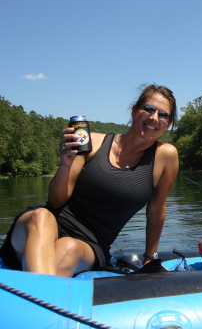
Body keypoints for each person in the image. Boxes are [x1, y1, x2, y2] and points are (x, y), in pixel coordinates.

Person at [0, 84, 179, 277]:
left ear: (168, 124)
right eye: (149, 109)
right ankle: (40, 294)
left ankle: (33, 289)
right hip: (41, 229)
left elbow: (156, 209)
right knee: (41, 216)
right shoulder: (91, 143)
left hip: (89, 243)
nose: (154, 117)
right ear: (135, 111)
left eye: (163, 115)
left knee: (68, 247)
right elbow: (55, 202)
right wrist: (66, 164)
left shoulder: (165, 156)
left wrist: (150, 257)